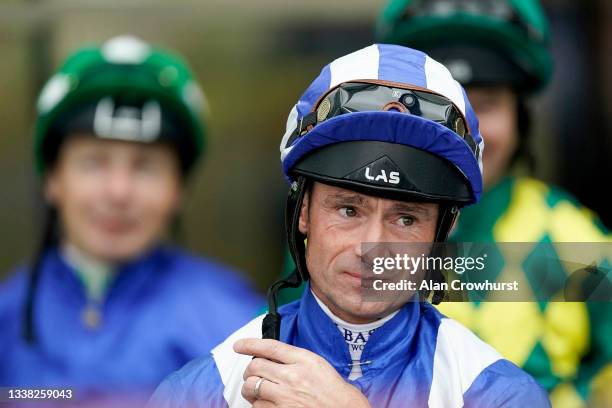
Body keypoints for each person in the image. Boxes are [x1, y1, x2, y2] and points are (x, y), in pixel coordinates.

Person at [148, 44, 550, 407]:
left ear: (441, 235)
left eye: (406, 218)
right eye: (348, 210)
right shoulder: (199, 392)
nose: (371, 246)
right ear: (303, 212)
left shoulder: (499, 395)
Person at [0, 35, 263, 405]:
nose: (119, 192)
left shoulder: (242, 330)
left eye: (146, 167)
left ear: (178, 190)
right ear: (52, 179)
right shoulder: (5, 320)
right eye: (94, 162)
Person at [375, 1, 611, 407]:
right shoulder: (349, 234)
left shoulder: (575, 241)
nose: (466, 133)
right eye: (442, 107)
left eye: (485, 105)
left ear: (521, 119)